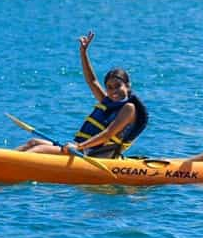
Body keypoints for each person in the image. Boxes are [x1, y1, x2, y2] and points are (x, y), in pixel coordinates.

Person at [16, 31, 148, 158]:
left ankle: (8, 165)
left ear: (128, 85)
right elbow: (92, 81)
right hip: (84, 150)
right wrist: (83, 53)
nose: (113, 91)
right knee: (33, 142)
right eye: (109, 87)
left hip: (96, 155)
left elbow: (108, 134)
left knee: (39, 150)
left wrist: (78, 147)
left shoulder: (129, 108)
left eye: (118, 86)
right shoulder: (108, 103)